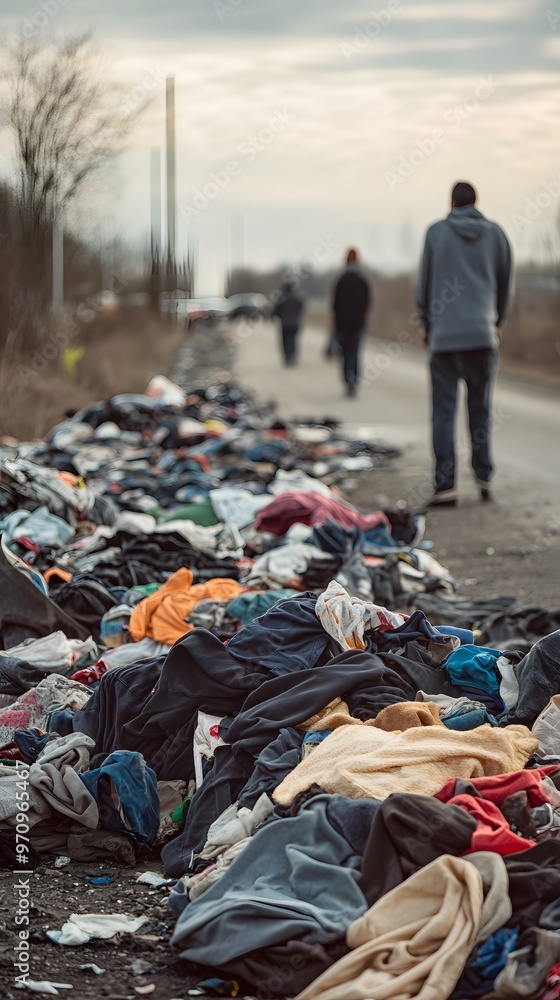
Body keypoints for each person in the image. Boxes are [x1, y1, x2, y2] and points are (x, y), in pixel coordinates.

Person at [417, 181, 513, 506]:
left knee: (444, 413)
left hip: (444, 339)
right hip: (482, 337)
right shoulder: (496, 234)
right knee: (480, 410)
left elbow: (424, 285)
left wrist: (428, 324)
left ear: (451, 202)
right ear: (476, 202)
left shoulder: (435, 233)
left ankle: (446, 486)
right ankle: (483, 477)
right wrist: (496, 322)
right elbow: (505, 283)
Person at [332, 248, 371, 397]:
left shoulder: (341, 281)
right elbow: (368, 303)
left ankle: (348, 381)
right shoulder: (362, 281)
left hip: (342, 326)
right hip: (357, 325)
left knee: (345, 354)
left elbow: (334, 305)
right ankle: (353, 380)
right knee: (354, 354)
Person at [272, 279, 304, 366]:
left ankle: (287, 357)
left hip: (285, 323)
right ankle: (292, 355)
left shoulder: (281, 298)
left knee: (286, 341)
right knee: (293, 340)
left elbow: (275, 310)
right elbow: (301, 307)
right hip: (295, 323)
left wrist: (277, 316)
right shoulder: (297, 297)